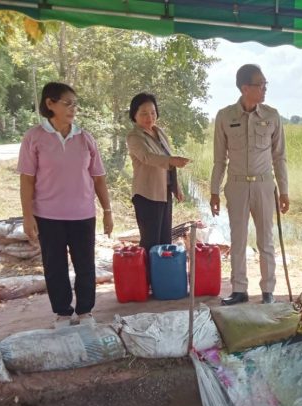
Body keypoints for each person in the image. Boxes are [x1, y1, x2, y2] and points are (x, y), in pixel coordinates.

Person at [18, 82, 113, 328]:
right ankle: (62, 312)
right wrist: (28, 217)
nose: (73, 108)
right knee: (55, 267)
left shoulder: (85, 138)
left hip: (82, 214)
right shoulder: (34, 137)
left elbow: (99, 178)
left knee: (85, 265)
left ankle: (85, 312)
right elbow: (27, 181)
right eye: (67, 103)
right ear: (50, 104)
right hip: (48, 216)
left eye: (75, 104)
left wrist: (107, 211)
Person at [210, 64, 289, 305]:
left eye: (266, 84)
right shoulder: (225, 116)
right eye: (260, 84)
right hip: (236, 185)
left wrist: (284, 190)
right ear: (245, 88)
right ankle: (239, 290)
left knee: (265, 239)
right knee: (238, 240)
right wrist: (213, 191)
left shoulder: (272, 116)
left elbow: (279, 156)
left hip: (264, 185)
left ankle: (268, 291)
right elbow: (219, 158)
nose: (264, 89)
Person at [126, 93, 190, 256]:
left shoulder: (159, 132)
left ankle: (161, 278)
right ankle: (146, 279)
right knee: (150, 242)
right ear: (134, 114)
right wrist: (172, 160)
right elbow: (148, 157)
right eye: (144, 113)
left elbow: (168, 160)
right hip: (147, 194)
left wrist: (176, 187)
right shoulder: (134, 136)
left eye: (153, 112)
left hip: (164, 192)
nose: (149, 117)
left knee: (164, 240)